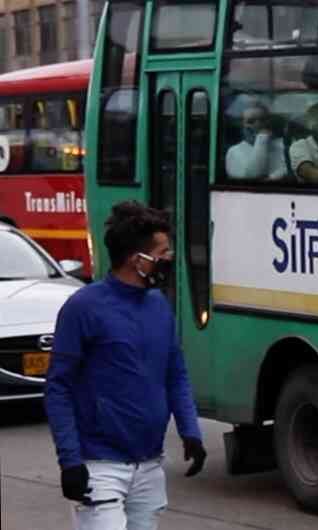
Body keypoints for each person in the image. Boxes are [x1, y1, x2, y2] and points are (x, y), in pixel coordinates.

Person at [44, 201, 206, 530]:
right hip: (99, 467)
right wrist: (70, 462)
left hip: (148, 465)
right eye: (163, 253)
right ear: (138, 260)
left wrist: (191, 431)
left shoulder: (160, 307)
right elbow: (58, 388)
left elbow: (175, 374)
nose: (169, 259)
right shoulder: (83, 309)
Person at [225, 101, 288, 181]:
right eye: (251, 121)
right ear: (242, 126)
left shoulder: (280, 146)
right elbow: (253, 176)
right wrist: (261, 139)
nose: (258, 125)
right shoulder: (234, 152)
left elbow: (288, 169)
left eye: (262, 120)